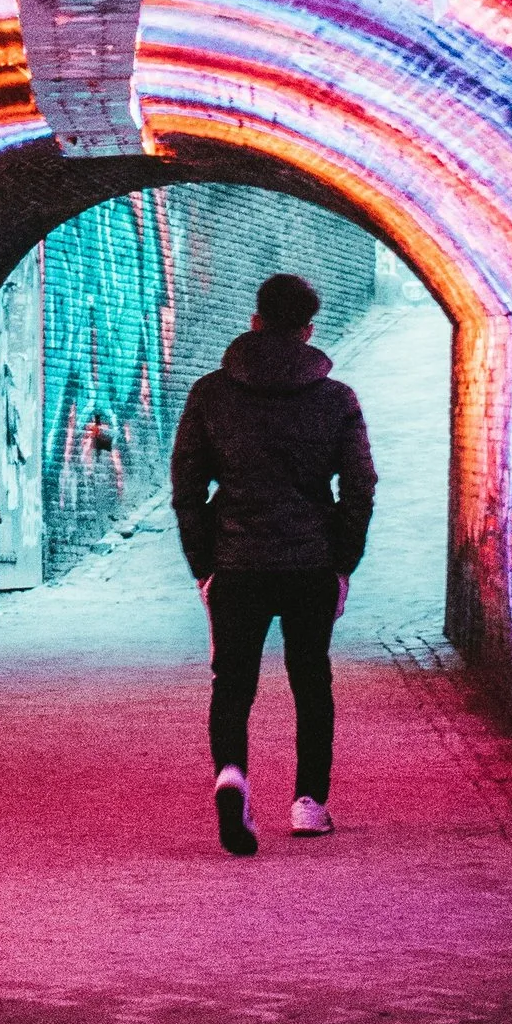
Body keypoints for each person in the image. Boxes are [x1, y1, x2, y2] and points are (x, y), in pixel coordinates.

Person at [169, 272, 377, 856]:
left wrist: (202, 563)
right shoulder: (335, 398)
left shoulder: (211, 393)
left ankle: (232, 774)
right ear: (308, 330)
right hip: (310, 562)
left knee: (232, 680)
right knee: (311, 679)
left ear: (255, 321)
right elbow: (360, 485)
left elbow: (186, 483)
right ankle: (309, 803)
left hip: (236, 563)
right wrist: (343, 562)